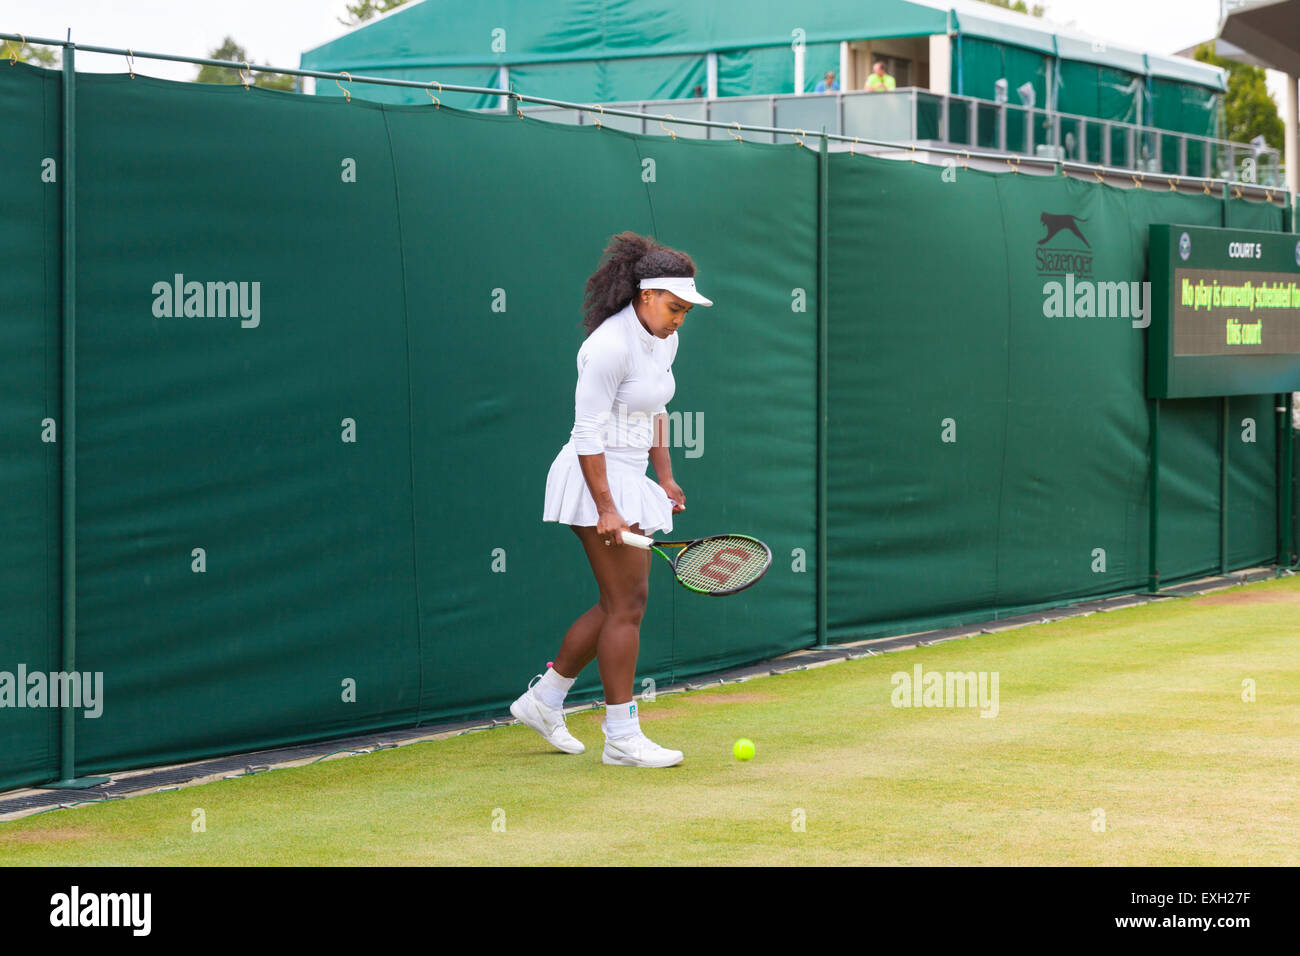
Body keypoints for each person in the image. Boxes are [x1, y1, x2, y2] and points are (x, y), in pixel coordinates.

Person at [510, 231, 713, 768]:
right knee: (628, 604)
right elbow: (586, 433)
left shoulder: (664, 339)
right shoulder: (607, 346)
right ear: (646, 295)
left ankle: (545, 699)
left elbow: (657, 409)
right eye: (675, 307)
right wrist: (605, 506)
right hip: (592, 477)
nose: (680, 319)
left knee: (615, 603)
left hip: (629, 477)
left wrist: (664, 477)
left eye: (687, 311)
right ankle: (621, 736)